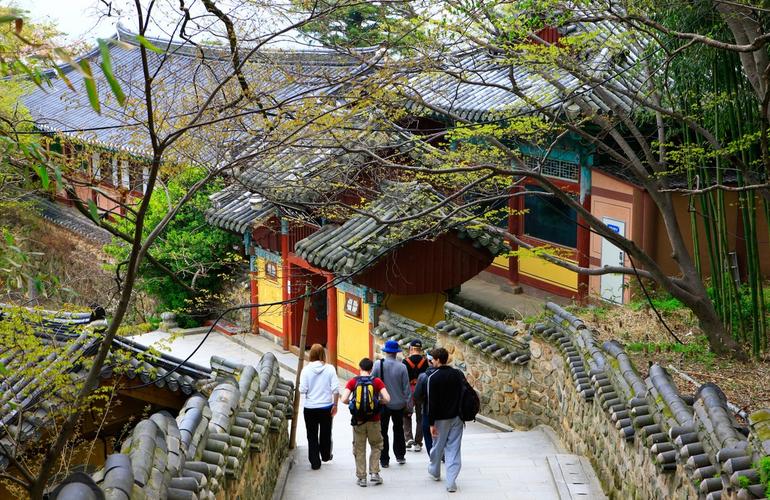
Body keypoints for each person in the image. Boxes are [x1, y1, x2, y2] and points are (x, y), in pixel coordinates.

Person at [341, 357, 391, 487]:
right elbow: (387, 398)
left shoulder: (353, 381)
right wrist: (377, 402)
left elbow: (344, 399)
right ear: (371, 369)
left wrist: (354, 404)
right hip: (374, 420)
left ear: (360, 368)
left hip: (358, 421)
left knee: (359, 448)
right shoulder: (377, 381)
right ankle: (374, 473)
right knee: (376, 445)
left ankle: (362, 478)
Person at [426, 347, 466, 493]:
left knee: (438, 446)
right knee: (454, 448)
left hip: (440, 419)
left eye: (433, 359)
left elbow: (432, 403)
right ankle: (451, 482)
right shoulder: (457, 374)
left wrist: (431, 423)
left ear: (437, 360)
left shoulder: (433, 377)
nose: (432, 361)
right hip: (457, 416)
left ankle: (435, 471)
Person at [298, 344, 339, 470]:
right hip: (326, 406)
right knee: (326, 432)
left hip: (310, 408)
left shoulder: (305, 370)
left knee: (312, 435)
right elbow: (336, 389)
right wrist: (335, 404)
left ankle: (315, 462)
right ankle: (326, 455)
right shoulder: (330, 369)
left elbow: (302, 390)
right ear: (323, 354)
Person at [371, 339, 411, 467]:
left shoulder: (378, 365)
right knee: (398, 429)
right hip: (399, 404)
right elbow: (406, 388)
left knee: (383, 431)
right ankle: (400, 456)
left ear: (386, 352)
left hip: (383, 403)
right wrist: (408, 405)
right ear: (396, 353)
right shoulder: (402, 367)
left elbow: (372, 383)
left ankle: (384, 459)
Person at [402, 338, 428, 452]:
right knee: (420, 417)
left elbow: (403, 379)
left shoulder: (405, 362)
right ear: (421, 349)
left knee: (407, 414)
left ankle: (408, 438)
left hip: (409, 390)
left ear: (411, 349)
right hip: (421, 391)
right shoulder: (426, 361)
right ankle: (418, 442)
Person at [412, 349, 438, 456]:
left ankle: (432, 455)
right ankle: (443, 453)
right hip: (446, 411)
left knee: (427, 432)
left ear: (429, 360)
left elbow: (417, 395)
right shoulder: (449, 373)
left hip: (428, 409)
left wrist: (423, 402)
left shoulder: (423, 376)